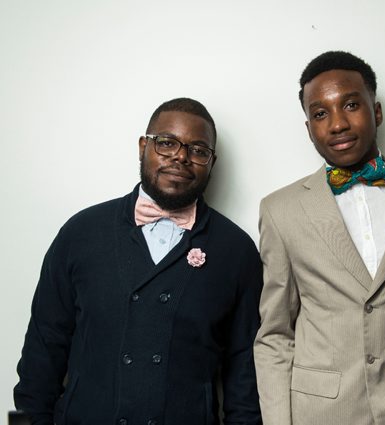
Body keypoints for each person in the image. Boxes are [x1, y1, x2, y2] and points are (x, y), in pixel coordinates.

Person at [253, 51, 385, 425]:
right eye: (320, 113)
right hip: (322, 413)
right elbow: (276, 333)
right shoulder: (280, 210)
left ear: (377, 111)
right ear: (308, 128)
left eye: (351, 105)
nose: (337, 124)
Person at [14, 98, 263, 425]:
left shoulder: (237, 250)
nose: (181, 157)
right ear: (143, 147)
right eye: (167, 143)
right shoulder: (80, 233)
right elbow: (40, 355)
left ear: (212, 163)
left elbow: (245, 374)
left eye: (198, 150)